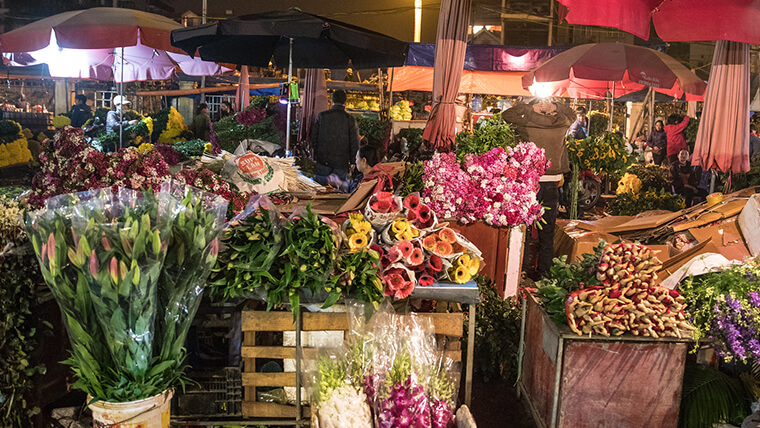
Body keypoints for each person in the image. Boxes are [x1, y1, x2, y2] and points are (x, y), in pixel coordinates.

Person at [503, 98, 575, 279]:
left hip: (530, 181)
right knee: (547, 228)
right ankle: (544, 271)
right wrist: (556, 107)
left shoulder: (527, 121)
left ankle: (522, 268)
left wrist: (529, 108)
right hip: (552, 180)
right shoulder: (562, 123)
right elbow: (572, 114)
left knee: (524, 225)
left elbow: (506, 115)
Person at [312, 89, 360, 186]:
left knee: (321, 191)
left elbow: (314, 138)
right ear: (345, 102)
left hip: (323, 161)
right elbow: (354, 142)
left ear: (331, 100)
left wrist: (316, 155)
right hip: (341, 163)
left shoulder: (322, 116)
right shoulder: (349, 119)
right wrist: (353, 161)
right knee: (339, 192)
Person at [328, 145, 393, 193]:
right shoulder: (365, 176)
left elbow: (353, 198)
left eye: (357, 158)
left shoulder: (368, 180)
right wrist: (339, 183)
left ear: (364, 161)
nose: (355, 161)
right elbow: (352, 189)